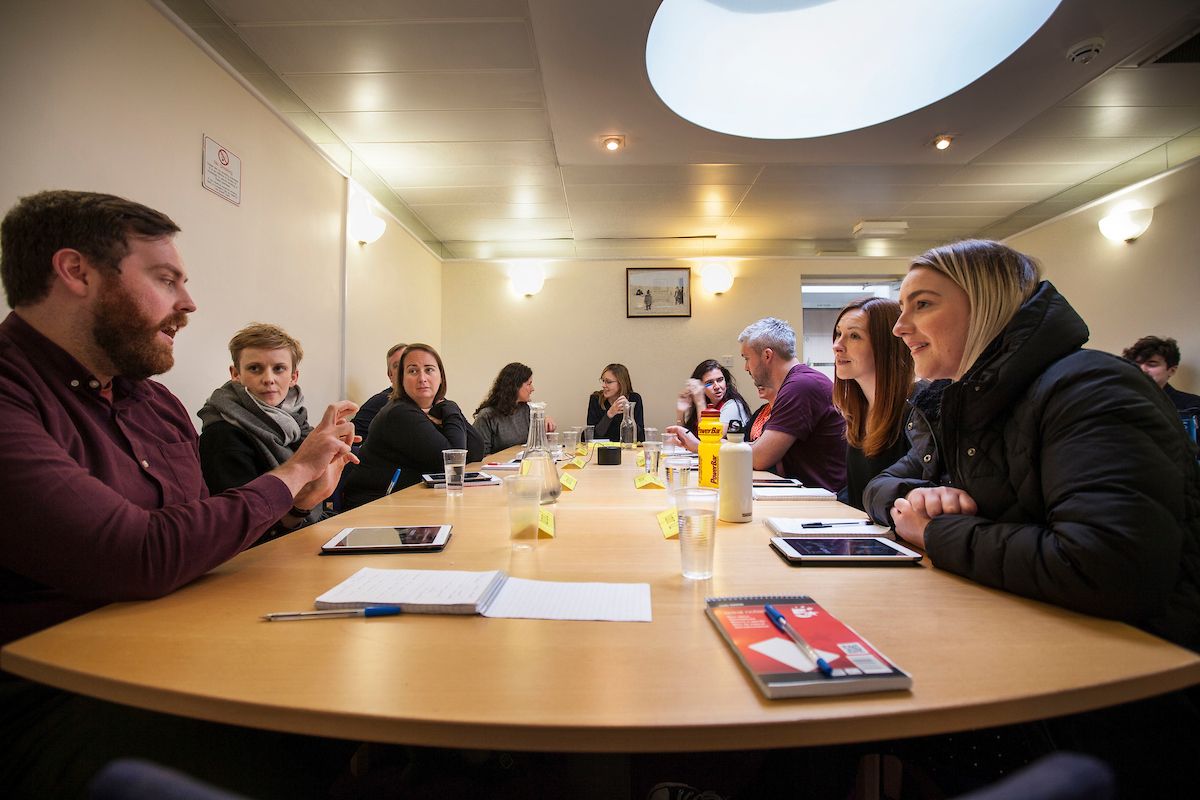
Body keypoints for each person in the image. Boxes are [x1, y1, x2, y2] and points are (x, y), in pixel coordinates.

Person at [0, 190, 359, 798]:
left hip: (190, 643)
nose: (188, 304)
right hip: (64, 695)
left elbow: (200, 529)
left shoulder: (155, 401)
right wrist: (292, 474)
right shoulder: (14, 394)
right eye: (166, 280)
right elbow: (136, 554)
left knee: (357, 688)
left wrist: (295, 503)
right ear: (76, 272)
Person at [862, 239, 1200, 797]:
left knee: (847, 717)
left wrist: (939, 531)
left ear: (988, 304)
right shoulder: (965, 399)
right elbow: (884, 485)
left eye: (922, 305)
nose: (900, 328)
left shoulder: (1089, 387)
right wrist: (914, 503)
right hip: (1031, 651)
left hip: (1112, 699)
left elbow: (1109, 566)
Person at [667, 318, 846, 492]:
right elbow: (752, 446)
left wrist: (699, 446)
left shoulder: (800, 386)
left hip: (824, 502)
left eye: (747, 358)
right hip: (804, 493)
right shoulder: (796, 383)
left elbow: (760, 457)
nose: (746, 367)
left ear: (767, 355)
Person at [197, 323, 321, 541]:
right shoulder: (222, 434)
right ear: (236, 373)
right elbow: (242, 528)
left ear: (294, 377)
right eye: (255, 368)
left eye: (279, 368)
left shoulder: (297, 423)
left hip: (305, 530)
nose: (269, 379)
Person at [342, 342, 485, 507]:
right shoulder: (399, 412)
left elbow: (477, 449)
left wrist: (447, 406)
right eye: (413, 371)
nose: (422, 378)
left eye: (429, 369)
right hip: (373, 507)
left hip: (406, 501)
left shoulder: (435, 408)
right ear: (401, 379)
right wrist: (451, 409)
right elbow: (453, 463)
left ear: (441, 377)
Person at [831, 297, 916, 511]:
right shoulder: (857, 412)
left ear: (886, 345)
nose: (837, 346)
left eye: (854, 336)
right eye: (839, 334)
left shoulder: (916, 411)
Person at [473, 361, 555, 456]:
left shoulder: (527, 410)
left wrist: (545, 422)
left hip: (525, 464)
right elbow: (480, 455)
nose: (532, 389)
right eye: (529, 384)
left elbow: (538, 445)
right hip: (499, 468)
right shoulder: (487, 416)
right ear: (515, 386)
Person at [1122, 335, 1200, 416]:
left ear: (1172, 370)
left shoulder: (1194, 406)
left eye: (1151, 364)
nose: (1142, 369)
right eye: (1136, 364)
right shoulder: (1118, 402)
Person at [674, 358, 752, 437]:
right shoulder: (706, 405)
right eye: (709, 383)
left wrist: (700, 401)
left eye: (720, 380)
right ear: (700, 387)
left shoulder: (733, 405)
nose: (717, 386)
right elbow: (682, 439)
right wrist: (680, 412)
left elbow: (709, 437)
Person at [351, 342, 406, 441]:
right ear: (390, 375)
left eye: (407, 363)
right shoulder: (382, 401)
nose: (403, 368)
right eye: (397, 365)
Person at [587, 362, 644, 441]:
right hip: (602, 449)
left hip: (626, 449)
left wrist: (627, 412)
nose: (603, 385)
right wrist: (610, 414)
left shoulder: (634, 399)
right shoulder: (595, 399)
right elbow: (592, 436)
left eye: (608, 382)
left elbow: (640, 437)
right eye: (603, 381)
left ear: (621, 383)